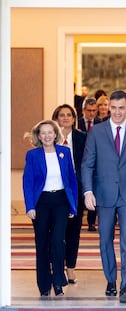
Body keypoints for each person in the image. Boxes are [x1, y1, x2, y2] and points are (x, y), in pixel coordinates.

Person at [81, 89, 126, 303]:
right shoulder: (97, 132)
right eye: (113, 108)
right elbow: (87, 163)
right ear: (108, 107)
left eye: (122, 108)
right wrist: (88, 190)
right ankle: (111, 280)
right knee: (105, 240)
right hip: (104, 194)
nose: (118, 112)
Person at [22, 120, 78, 297]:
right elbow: (28, 182)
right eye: (43, 133)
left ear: (56, 134)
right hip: (41, 203)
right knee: (42, 243)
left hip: (61, 201)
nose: (47, 136)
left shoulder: (65, 152)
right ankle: (44, 284)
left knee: (58, 240)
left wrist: (73, 205)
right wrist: (30, 206)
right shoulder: (32, 155)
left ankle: (58, 280)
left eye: (50, 132)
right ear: (38, 136)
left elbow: (72, 181)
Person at [52, 104, 87, 285]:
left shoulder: (82, 138)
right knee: (57, 230)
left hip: (76, 190)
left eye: (69, 115)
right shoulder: (50, 137)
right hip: (55, 191)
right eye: (61, 115)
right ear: (56, 118)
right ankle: (57, 267)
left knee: (73, 230)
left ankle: (71, 267)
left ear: (74, 119)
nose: (65, 118)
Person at [77, 97, 100, 231]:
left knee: (93, 190)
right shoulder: (77, 123)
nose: (91, 113)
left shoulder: (101, 123)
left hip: (95, 161)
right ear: (83, 110)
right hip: (81, 160)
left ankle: (91, 222)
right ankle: (79, 220)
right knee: (81, 190)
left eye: (94, 110)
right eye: (89, 110)